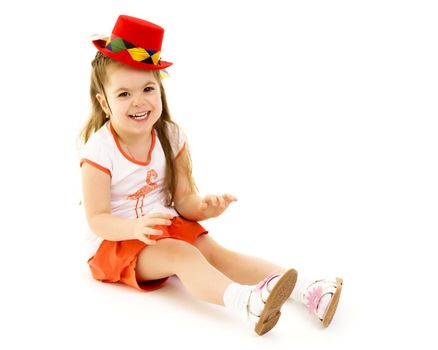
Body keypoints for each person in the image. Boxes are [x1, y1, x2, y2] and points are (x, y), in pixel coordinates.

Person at [79, 14, 343, 336]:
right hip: (117, 241)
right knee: (182, 254)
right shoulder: (99, 151)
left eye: (148, 88)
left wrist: (204, 207)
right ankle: (245, 302)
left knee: (215, 252)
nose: (139, 101)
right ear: (103, 102)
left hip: (163, 224)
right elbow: (97, 219)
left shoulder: (171, 136)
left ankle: (308, 289)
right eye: (123, 94)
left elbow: (184, 200)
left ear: (160, 89)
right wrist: (135, 227)